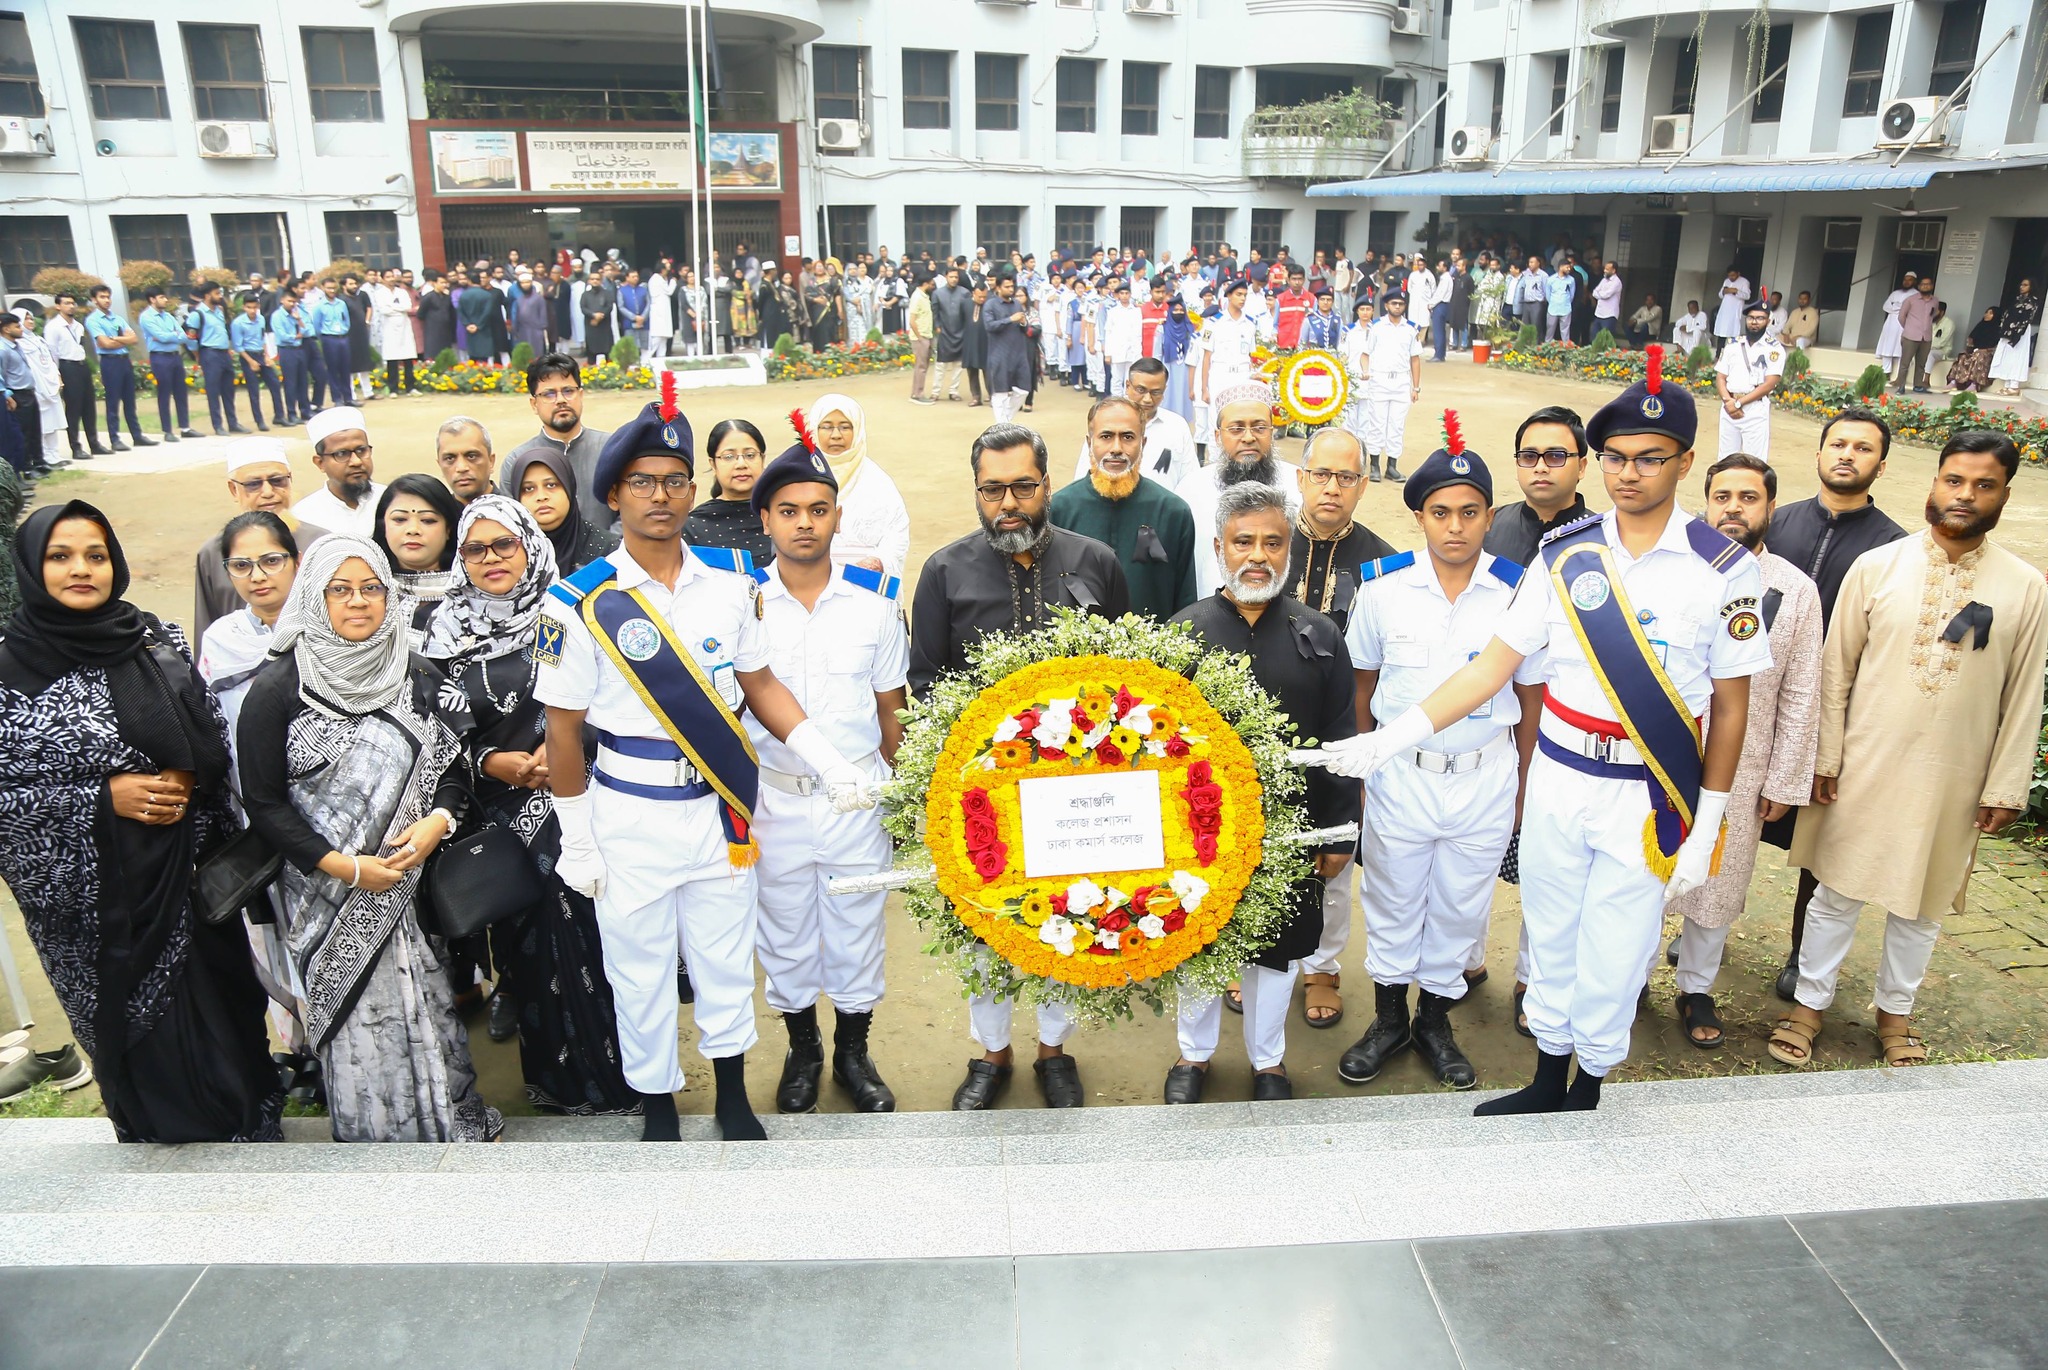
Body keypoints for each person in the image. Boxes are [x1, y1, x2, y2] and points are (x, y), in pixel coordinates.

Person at [1322, 345, 1772, 1114]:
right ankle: (1543, 1077)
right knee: (1552, 929)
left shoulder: (1721, 568)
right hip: (1563, 773)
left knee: (1619, 943)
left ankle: (1589, 1082)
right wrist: (1388, 740)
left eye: (1650, 458)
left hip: (1646, 786)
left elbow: (1732, 706)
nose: (1629, 473)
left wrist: (1709, 826)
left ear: (1685, 461)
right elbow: (1492, 668)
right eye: (1616, 458)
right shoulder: (1566, 555)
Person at [534, 397, 880, 1142]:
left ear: (693, 490)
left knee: (726, 959)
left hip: (721, 810)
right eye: (642, 481)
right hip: (628, 814)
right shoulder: (579, 601)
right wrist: (577, 838)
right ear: (615, 494)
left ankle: (730, 1095)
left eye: (674, 480)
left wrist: (826, 763)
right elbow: (562, 734)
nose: (660, 496)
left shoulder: (731, 580)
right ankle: (657, 1102)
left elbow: (760, 685)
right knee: (641, 965)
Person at [0, 502, 284, 1141]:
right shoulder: (9, 669)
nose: (82, 569)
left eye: (96, 556)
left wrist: (189, 771)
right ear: (30, 566)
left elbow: (209, 738)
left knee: (227, 1020)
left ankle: (252, 1138)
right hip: (99, 915)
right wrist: (103, 798)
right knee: (155, 1049)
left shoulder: (152, 638)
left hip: (188, 880)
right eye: (61, 556)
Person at [1776, 432, 2047, 1070]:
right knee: (1836, 891)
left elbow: (2025, 692)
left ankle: (1894, 1013)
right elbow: (1833, 673)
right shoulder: (1879, 566)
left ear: (2006, 494)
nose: (1965, 496)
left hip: (1955, 775)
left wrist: (2006, 786)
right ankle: (1809, 1005)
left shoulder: (2025, 587)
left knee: (1922, 903)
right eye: (1955, 480)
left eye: (1984, 485)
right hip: (1862, 767)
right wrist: (1826, 757)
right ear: (1934, 482)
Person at [237, 535, 503, 1143]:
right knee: (359, 1024)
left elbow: (456, 765)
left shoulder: (415, 672)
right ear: (314, 597)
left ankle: (445, 1121)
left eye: (372, 588)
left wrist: (438, 822)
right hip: (324, 896)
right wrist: (346, 868)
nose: (359, 603)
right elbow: (264, 803)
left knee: (426, 1003)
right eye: (340, 590)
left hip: (411, 888)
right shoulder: (277, 688)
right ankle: (372, 1136)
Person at [908, 424, 1128, 1110]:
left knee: (1069, 915)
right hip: (984, 797)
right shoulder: (945, 571)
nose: (1010, 503)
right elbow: (925, 687)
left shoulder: (1097, 561)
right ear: (976, 491)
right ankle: (992, 1052)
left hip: (1075, 797)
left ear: (1048, 485)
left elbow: (1126, 680)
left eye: (1024, 487)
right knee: (987, 925)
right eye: (994, 488)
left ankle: (1054, 1051)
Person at [415, 495, 638, 1115]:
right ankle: (557, 1082)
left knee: (598, 940)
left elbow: (610, 698)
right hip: (499, 815)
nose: (491, 559)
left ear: (528, 545)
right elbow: (433, 734)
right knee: (533, 952)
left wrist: (563, 746)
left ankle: (625, 1078)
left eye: (504, 545)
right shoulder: (442, 631)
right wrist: (493, 762)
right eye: (475, 549)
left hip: (582, 800)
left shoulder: (564, 611)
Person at [1339, 425, 1536, 1088]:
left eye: (1470, 512)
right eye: (1441, 513)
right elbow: (1361, 686)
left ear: (1489, 514)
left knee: (1462, 904)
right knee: (1393, 898)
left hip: (1485, 775)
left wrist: (1523, 787)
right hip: (1402, 775)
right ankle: (1390, 1019)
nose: (1456, 527)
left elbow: (1531, 696)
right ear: (1419, 516)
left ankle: (1435, 1021)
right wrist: (1364, 778)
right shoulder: (1382, 590)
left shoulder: (1517, 591)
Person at [1166, 482, 1358, 1102]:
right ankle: (1192, 1057)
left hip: (1292, 834)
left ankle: (1268, 1061)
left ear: (1289, 551)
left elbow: (1338, 738)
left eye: (1273, 542)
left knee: (1277, 951)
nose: (1259, 555)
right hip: (1198, 838)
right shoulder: (1183, 634)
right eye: (1243, 541)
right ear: (1220, 547)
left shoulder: (1321, 633)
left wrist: (1338, 828)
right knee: (1198, 946)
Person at [745, 441, 906, 1114]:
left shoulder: (874, 606)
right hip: (775, 802)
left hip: (859, 802)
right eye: (788, 511)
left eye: (818, 509)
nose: (804, 523)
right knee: (783, 933)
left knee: (856, 928)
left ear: (840, 517)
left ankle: (852, 1052)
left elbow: (891, 710)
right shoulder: (744, 606)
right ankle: (803, 1050)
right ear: (766, 521)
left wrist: (903, 804)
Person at [1659, 454, 1822, 1048]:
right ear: (1704, 501)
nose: (1733, 507)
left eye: (1748, 497)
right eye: (1722, 495)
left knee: (1719, 882)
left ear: (1770, 508)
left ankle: (1696, 985)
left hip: (1746, 766)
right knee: (1648, 870)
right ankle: (1624, 979)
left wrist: (1784, 779)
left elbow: (1804, 690)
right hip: (1662, 755)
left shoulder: (1794, 590)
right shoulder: (1674, 569)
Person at [1758, 406, 1910, 998]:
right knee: (1729, 823)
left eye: (1863, 448)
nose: (1847, 454)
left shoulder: (1892, 549)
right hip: (1754, 699)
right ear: (1818, 453)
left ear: (1880, 463)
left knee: (1818, 842)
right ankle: (1704, 929)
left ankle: (1802, 951)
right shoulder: (1775, 522)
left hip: (1832, 715)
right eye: (1838, 443)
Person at [1049, 396, 1197, 621]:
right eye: (1106, 437)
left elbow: (1186, 600)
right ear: (1090, 443)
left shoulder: (1172, 512)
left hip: (1151, 651)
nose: (1116, 448)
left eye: (1127, 437)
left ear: (1143, 443)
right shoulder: (1060, 509)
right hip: (1077, 653)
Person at [193, 437, 332, 642]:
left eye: (277, 481)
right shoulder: (212, 553)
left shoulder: (322, 543)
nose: (268, 492)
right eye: (253, 484)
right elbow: (207, 628)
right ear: (234, 490)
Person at [1184, 381, 1304, 596]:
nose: (1249, 437)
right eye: (1237, 428)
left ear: (1271, 432)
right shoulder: (1191, 488)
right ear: (1218, 437)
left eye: (1259, 427)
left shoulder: (1298, 485)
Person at [1285, 427, 1394, 633]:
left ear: (1362, 487)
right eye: (1320, 475)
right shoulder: (1265, 548)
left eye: (1346, 478)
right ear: (1301, 480)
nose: (1332, 489)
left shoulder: (1384, 564)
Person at [804, 394, 911, 579]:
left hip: (866, 582)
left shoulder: (877, 481)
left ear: (858, 429)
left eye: (845, 427)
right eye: (827, 427)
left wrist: (875, 563)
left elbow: (897, 531)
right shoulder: (798, 477)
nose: (836, 435)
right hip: (808, 578)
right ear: (813, 430)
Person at [1483, 406, 1592, 567]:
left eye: (1555, 456)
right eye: (1528, 457)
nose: (1540, 467)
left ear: (1581, 467)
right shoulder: (1488, 527)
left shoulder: (1602, 540)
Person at [1071, 357, 1196, 494]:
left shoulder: (1177, 426)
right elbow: (1082, 477)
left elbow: (1190, 480)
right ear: (1128, 386)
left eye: (1156, 392)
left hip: (1161, 513)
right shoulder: (1106, 421)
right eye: (1141, 390)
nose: (1148, 399)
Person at [506, 354, 612, 508]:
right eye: (549, 394)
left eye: (568, 391)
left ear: (580, 395)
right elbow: (513, 522)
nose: (561, 400)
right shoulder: (517, 461)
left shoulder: (610, 448)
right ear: (534, 404)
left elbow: (630, 510)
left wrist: (609, 534)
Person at [373, 473, 464, 648]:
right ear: (383, 526)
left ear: (448, 530)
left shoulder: (473, 596)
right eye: (400, 519)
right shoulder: (365, 592)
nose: (413, 530)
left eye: (428, 520)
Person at [509, 445, 618, 576]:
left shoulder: (610, 550)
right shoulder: (508, 551)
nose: (541, 496)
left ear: (569, 489)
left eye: (551, 485)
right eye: (528, 489)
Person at [683, 418, 776, 566]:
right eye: (728, 457)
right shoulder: (693, 526)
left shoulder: (784, 513)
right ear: (713, 464)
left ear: (763, 459)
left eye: (750, 455)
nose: (741, 464)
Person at [1354, 292, 1425, 484]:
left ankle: (1392, 466)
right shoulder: (1376, 327)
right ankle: (1375, 465)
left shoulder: (1411, 329)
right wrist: (1367, 371)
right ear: (1386, 305)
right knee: (1376, 424)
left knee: (1396, 425)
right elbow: (1365, 354)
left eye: (1401, 304)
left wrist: (1415, 387)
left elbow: (1415, 359)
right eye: (1394, 303)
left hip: (1401, 381)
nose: (1397, 307)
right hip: (1379, 380)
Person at [290, 407, 385, 539]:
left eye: (361, 450)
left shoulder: (391, 501)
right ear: (320, 463)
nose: (356, 461)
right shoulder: (304, 517)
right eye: (341, 454)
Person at [84, 286, 153, 452]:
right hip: (110, 362)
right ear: (94, 300)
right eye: (102, 297)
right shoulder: (93, 320)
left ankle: (137, 435)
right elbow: (104, 344)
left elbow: (134, 338)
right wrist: (122, 340)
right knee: (113, 401)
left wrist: (114, 338)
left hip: (124, 361)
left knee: (130, 400)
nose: (106, 300)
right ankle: (114, 438)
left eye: (108, 297)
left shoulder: (117, 318)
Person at [1714, 301, 1784, 459]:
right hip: (1729, 406)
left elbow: (1769, 384)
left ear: (1768, 320)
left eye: (1760, 318)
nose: (1754, 322)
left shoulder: (1774, 349)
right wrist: (1728, 401)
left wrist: (1739, 403)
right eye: (1751, 318)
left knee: (1755, 461)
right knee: (1725, 459)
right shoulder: (1733, 344)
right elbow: (1720, 377)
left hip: (1754, 409)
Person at [45, 293, 106, 459]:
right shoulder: (53, 327)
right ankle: (76, 447)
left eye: (73, 303)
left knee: (89, 406)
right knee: (73, 408)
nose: (71, 306)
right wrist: (57, 375)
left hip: (81, 365)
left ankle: (94, 443)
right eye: (66, 303)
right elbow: (52, 353)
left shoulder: (78, 326)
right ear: (58, 306)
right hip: (67, 367)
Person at [139, 286, 200, 440]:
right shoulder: (146, 317)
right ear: (152, 299)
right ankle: (167, 431)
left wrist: (171, 336)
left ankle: (185, 428)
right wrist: (173, 336)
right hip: (160, 357)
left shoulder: (168, 316)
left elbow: (182, 335)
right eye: (161, 297)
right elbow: (162, 336)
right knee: (164, 392)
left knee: (181, 391)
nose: (165, 300)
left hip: (175, 356)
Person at [984, 275, 1037, 423]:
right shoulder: (990, 305)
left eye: (1012, 286)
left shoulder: (1017, 305)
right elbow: (989, 326)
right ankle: (1002, 425)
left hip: (1019, 354)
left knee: (1024, 390)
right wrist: (1010, 320)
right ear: (998, 288)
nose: (1010, 289)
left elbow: (1025, 328)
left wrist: (1022, 323)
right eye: (1007, 287)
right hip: (999, 355)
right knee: (1000, 393)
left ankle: (1006, 419)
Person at [230, 295, 282, 432]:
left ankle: (279, 416)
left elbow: (262, 338)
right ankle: (259, 421)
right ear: (244, 307)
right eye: (249, 308)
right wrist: (251, 361)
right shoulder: (238, 323)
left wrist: (266, 356)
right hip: (248, 355)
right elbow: (238, 346)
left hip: (260, 354)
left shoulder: (261, 319)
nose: (252, 311)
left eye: (254, 307)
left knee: (275, 384)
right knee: (254, 390)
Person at [1989, 278, 2038, 396]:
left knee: (2017, 357)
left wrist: (2015, 332)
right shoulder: (2017, 300)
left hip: (2020, 331)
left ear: (2031, 287)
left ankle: (2014, 386)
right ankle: (2007, 385)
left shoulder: (2032, 301)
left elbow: (2027, 318)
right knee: (2007, 357)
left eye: (2025, 285)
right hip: (2008, 331)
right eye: (2021, 284)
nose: (2022, 287)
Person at [434, 416, 497, 505]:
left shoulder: (517, 513)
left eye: (472, 456)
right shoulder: (437, 515)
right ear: (440, 465)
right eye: (450, 458)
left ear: (491, 461)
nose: (461, 468)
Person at [932, 267, 974, 401]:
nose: (954, 279)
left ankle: (953, 391)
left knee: (958, 365)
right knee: (941, 365)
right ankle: (935, 392)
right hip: (944, 332)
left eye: (956, 277)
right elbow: (935, 313)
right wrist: (937, 327)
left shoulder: (965, 293)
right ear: (946, 277)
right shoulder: (937, 293)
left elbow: (969, 313)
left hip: (961, 333)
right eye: (951, 277)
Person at [1892, 274, 1938, 393]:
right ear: (1919, 286)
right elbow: (1901, 317)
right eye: (1923, 284)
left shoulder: (1935, 301)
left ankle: (1918, 385)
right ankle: (1901, 386)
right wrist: (1908, 328)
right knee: (1905, 363)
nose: (1925, 286)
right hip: (1910, 336)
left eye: (1928, 284)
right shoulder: (1910, 300)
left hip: (1926, 337)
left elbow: (1932, 316)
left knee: (1921, 363)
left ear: (1931, 286)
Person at [376, 270, 419, 395]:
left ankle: (410, 387)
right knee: (392, 359)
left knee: (408, 358)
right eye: (387, 277)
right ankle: (393, 388)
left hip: (405, 326)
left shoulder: (402, 292)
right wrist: (400, 308)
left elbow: (408, 306)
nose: (391, 279)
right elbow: (384, 310)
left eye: (392, 276)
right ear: (383, 279)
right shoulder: (380, 293)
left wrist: (394, 307)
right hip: (389, 327)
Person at [1949, 306, 2001, 393]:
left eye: (1990, 313)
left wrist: (1985, 350)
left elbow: (1996, 346)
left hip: (1987, 354)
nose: (1987, 315)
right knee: (1963, 356)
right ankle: (1954, 382)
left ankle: (1974, 384)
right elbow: (1971, 339)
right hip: (1975, 351)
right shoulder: (1980, 326)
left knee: (1979, 356)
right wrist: (1970, 349)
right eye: (1986, 312)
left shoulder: (1998, 329)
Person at [1874, 271, 1916, 373]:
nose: (1906, 282)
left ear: (1914, 282)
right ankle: (1886, 372)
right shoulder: (1895, 293)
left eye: (1909, 280)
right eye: (1905, 280)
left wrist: (1896, 306)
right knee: (1887, 347)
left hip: (1904, 324)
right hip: (1890, 323)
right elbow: (1886, 306)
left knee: (1901, 349)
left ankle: (1900, 375)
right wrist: (1900, 307)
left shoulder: (1916, 295)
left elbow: (1910, 309)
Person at [460, 274, 502, 365]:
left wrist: (467, 324)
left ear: (470, 281)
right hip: (484, 329)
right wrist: (478, 325)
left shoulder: (463, 295)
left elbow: (460, 312)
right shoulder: (486, 295)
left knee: (472, 356)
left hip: (470, 330)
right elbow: (487, 313)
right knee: (484, 357)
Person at [907, 274, 937, 404]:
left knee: (923, 366)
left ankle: (917, 393)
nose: (933, 286)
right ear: (926, 283)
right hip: (921, 337)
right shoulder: (917, 297)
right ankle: (917, 395)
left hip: (927, 335)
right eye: (931, 283)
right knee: (921, 367)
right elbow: (912, 320)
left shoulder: (924, 296)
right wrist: (920, 337)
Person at [419, 273, 457, 362]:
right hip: (433, 329)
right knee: (433, 352)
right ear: (434, 283)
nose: (444, 285)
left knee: (446, 352)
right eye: (441, 283)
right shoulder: (428, 297)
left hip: (446, 329)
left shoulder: (447, 297)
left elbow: (452, 313)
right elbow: (421, 313)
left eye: (445, 283)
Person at [1712, 266, 1753, 348]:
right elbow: (1720, 295)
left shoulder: (1744, 282)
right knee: (1722, 332)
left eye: (1733, 275)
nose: (1731, 277)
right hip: (1725, 310)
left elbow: (1747, 296)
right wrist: (1724, 291)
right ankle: (1718, 355)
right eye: (1729, 275)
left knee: (1734, 333)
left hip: (1735, 311)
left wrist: (1735, 291)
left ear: (1738, 273)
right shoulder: (1726, 281)